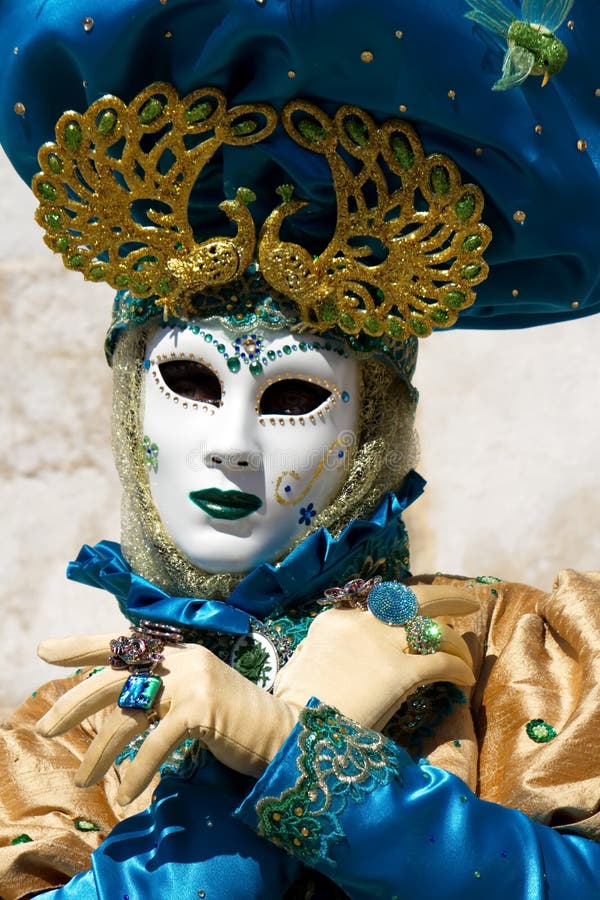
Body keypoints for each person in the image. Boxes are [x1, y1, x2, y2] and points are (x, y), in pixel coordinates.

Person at [2, 2, 600, 898]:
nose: (230, 446)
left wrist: (307, 764)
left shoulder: (524, 663)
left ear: (372, 430)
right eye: (191, 384)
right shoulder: (60, 743)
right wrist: (235, 767)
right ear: (130, 411)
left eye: (292, 397)